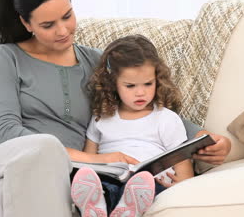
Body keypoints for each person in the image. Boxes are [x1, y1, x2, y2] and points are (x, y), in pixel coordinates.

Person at [0, 0, 232, 217]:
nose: (63, 31)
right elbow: (5, 131)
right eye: (48, 24)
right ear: (26, 22)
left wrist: (206, 139)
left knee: (57, 185)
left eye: (67, 15)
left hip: (60, 175)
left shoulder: (98, 62)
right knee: (44, 154)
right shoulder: (6, 58)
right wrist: (94, 159)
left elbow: (147, 106)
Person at [71, 35, 194, 217]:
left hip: (150, 180)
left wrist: (183, 183)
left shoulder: (166, 118)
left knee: (146, 185)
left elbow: (182, 161)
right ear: (113, 84)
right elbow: (90, 158)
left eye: (148, 83)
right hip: (114, 175)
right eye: (130, 86)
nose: (140, 92)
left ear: (157, 80)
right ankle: (100, 206)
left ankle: (125, 207)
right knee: (102, 183)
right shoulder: (101, 117)